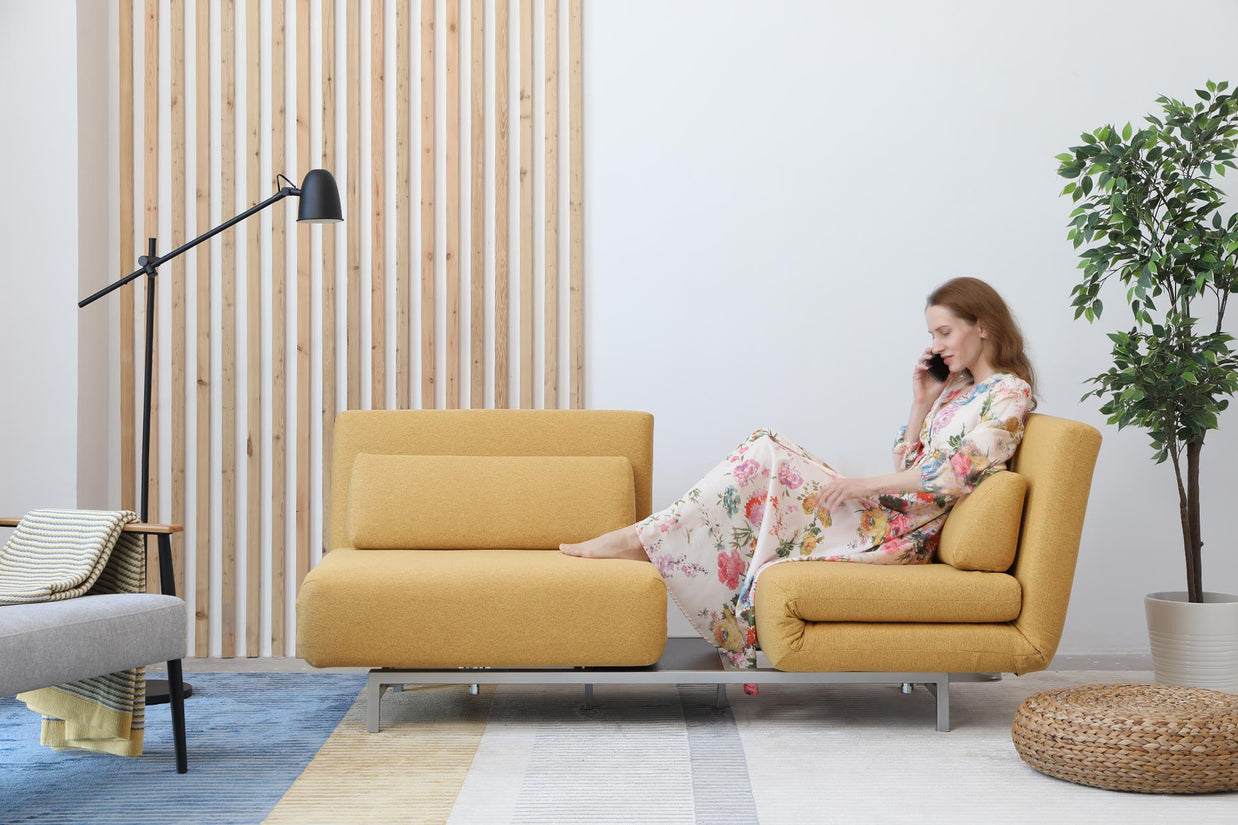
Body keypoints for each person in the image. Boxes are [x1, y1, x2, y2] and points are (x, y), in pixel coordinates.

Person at [561, 276, 1036, 672]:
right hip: (887, 513)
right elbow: (908, 464)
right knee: (765, 450)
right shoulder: (955, 392)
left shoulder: (1011, 394)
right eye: (932, 335)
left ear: (984, 326)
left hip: (901, 534)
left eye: (944, 333)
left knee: (768, 458)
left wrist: (859, 485)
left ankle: (642, 541)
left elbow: (953, 475)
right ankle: (650, 540)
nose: (936, 346)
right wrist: (921, 403)